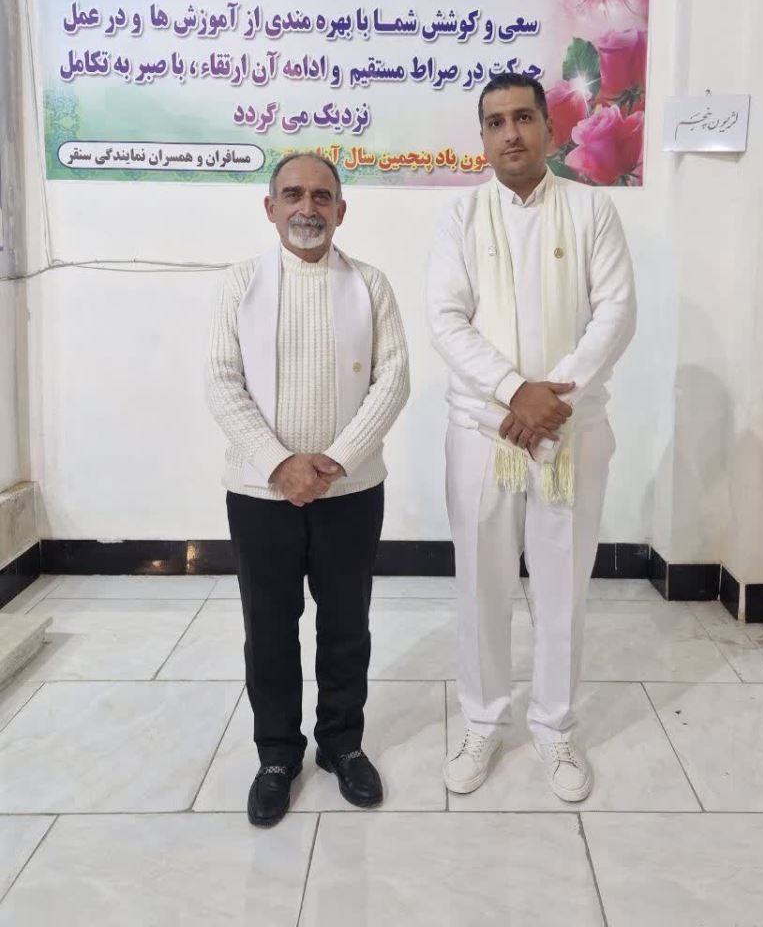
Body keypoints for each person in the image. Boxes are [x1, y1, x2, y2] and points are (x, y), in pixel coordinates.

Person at [427, 74, 636, 802]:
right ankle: (483, 721)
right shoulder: (460, 216)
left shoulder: (591, 209)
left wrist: (553, 396)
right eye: (495, 122)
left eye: (523, 118)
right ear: (483, 138)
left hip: (571, 432)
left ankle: (555, 728)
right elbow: (446, 319)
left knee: (561, 587)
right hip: (481, 432)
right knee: (481, 584)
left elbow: (616, 312)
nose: (510, 133)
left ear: (550, 128)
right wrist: (516, 391)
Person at [207, 151, 409, 826]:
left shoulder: (370, 285)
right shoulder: (240, 285)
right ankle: (276, 756)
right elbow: (221, 381)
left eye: (322, 196)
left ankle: (342, 745)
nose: (307, 207)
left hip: (350, 492)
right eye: (293, 194)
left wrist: (335, 462)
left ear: (341, 211)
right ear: (270, 208)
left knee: (346, 624)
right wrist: (279, 464)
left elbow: (393, 380)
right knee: (269, 628)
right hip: (260, 493)